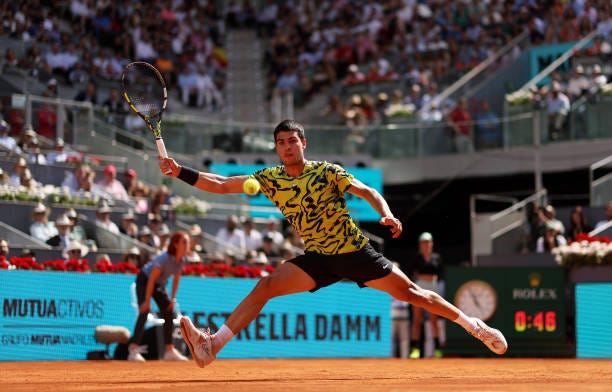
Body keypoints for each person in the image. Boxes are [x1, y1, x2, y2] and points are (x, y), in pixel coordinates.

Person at [158, 119, 507, 368]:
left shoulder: (327, 171)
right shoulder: (269, 179)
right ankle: (211, 347)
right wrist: (180, 172)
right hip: (319, 259)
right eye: (281, 142)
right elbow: (220, 184)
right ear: (277, 148)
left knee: (414, 295)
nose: (287, 147)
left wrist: (386, 214)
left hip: (355, 253)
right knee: (265, 286)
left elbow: (366, 191)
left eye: (292, 141)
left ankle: (474, 326)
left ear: (303, 144)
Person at [127, 231, 189, 362]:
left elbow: (176, 278)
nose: (187, 245)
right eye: (184, 242)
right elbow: (151, 279)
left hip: (158, 284)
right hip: (145, 280)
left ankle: (169, 351)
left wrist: (172, 299)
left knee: (169, 311)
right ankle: (133, 351)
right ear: (176, 244)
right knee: (144, 310)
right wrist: (147, 300)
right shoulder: (165, 259)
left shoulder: (182, 260)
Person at [409, 232, 445, 359]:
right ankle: (415, 349)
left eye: (428, 242)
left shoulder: (437, 257)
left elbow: (441, 273)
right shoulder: (417, 258)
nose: (426, 245)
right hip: (420, 286)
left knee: (433, 320)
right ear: (420, 244)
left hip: (433, 287)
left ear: (432, 243)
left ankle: (437, 349)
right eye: (424, 242)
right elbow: (412, 273)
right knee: (417, 319)